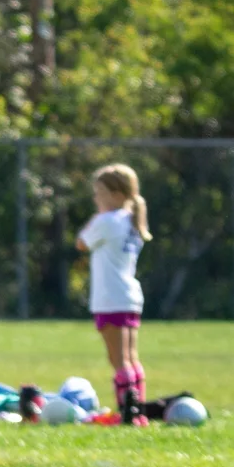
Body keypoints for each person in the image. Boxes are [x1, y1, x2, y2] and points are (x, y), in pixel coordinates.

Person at [75, 163, 153, 426]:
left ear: (117, 195)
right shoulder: (131, 220)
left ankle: (127, 412)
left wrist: (97, 216)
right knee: (131, 358)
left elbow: (81, 242)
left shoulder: (107, 221)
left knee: (118, 360)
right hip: (129, 296)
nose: (95, 198)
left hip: (110, 298)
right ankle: (138, 409)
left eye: (100, 193)